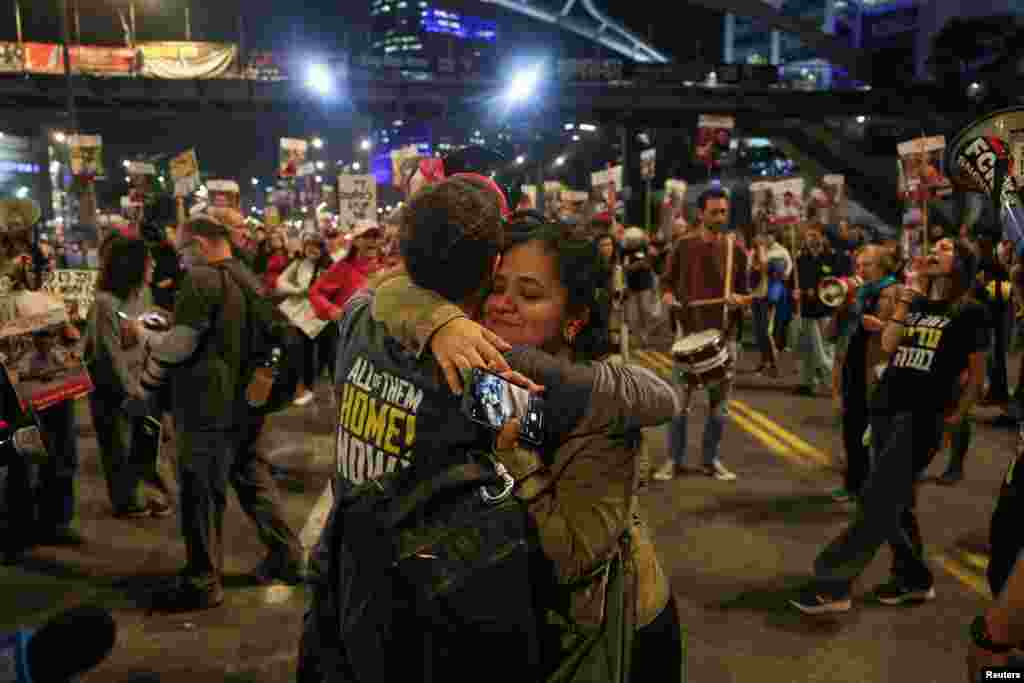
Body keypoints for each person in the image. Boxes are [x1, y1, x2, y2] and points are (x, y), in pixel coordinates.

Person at [300, 179, 682, 681]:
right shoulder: (473, 373)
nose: (502, 304)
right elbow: (391, 293)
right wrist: (439, 321)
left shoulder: (522, 392)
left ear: (573, 318)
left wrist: (520, 462)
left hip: (608, 640)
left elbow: (656, 400)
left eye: (529, 294)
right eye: (498, 287)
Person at [792, 238, 987, 614]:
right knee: (897, 503)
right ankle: (914, 579)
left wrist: (955, 418)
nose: (936, 248)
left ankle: (832, 584)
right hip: (886, 407)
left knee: (877, 501)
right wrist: (904, 302)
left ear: (961, 263)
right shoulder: (915, 302)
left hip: (921, 416)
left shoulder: (970, 312)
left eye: (946, 247)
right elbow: (888, 344)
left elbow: (976, 376)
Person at [140, 217, 304, 612]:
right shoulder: (247, 277)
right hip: (246, 403)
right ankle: (288, 556)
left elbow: (181, 343)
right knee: (252, 478)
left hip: (205, 405)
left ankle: (202, 580)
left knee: (201, 493)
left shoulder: (202, 279)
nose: (181, 260)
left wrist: (148, 349)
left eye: (183, 250)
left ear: (198, 243)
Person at [656, 188, 752, 482]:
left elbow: (746, 294)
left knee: (718, 407)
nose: (720, 217)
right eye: (714, 212)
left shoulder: (734, 248)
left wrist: (739, 300)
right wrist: (669, 298)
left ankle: (711, 460)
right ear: (701, 213)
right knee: (679, 405)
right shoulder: (683, 246)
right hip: (688, 336)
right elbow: (666, 285)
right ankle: (674, 460)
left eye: (723, 211)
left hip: (724, 336)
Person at [84, 237, 173, 519]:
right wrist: (132, 391)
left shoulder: (142, 296)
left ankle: (143, 495)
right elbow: (108, 355)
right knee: (118, 447)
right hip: (114, 390)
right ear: (132, 266)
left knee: (143, 445)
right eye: (149, 260)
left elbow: (149, 336)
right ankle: (128, 501)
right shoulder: (104, 304)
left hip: (142, 383)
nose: (154, 265)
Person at [829, 244, 901, 503]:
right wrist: (842, 306)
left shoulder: (896, 292)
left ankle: (879, 491)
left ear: (882, 266)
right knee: (852, 429)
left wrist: (882, 327)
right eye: (858, 265)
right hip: (852, 367)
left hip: (879, 371)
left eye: (866, 265)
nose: (860, 270)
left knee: (879, 433)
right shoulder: (857, 292)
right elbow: (834, 334)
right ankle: (853, 484)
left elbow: (905, 334)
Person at [275, 235, 330, 406]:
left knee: (329, 353)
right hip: (303, 316)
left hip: (324, 317)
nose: (312, 250)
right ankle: (307, 388)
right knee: (304, 353)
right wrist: (298, 290)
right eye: (309, 246)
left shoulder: (330, 265)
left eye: (316, 247)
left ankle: (338, 389)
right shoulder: (298, 263)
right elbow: (280, 282)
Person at [793, 227, 838, 396]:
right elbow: (793, 282)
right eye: (809, 236)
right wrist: (796, 291)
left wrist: (818, 291)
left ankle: (832, 383)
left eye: (815, 236)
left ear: (823, 238)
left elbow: (836, 283)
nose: (812, 239)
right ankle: (807, 382)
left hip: (825, 310)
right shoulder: (800, 259)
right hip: (806, 309)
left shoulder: (832, 258)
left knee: (825, 350)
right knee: (806, 348)